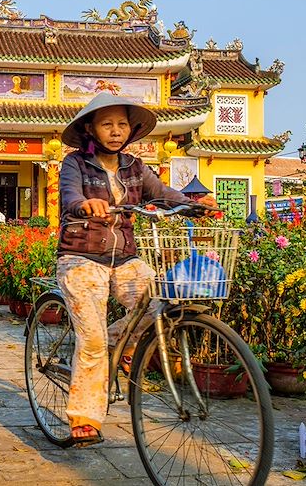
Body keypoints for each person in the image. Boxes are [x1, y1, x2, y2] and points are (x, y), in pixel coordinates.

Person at [56, 92, 216, 446]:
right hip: (80, 257)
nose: (115, 131)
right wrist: (86, 204)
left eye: (122, 124)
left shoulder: (135, 167)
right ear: (90, 129)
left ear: (131, 129)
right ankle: (85, 416)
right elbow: (69, 196)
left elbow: (161, 193)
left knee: (160, 302)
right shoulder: (74, 165)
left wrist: (193, 205)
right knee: (93, 340)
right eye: (107, 124)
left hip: (125, 258)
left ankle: (123, 344)